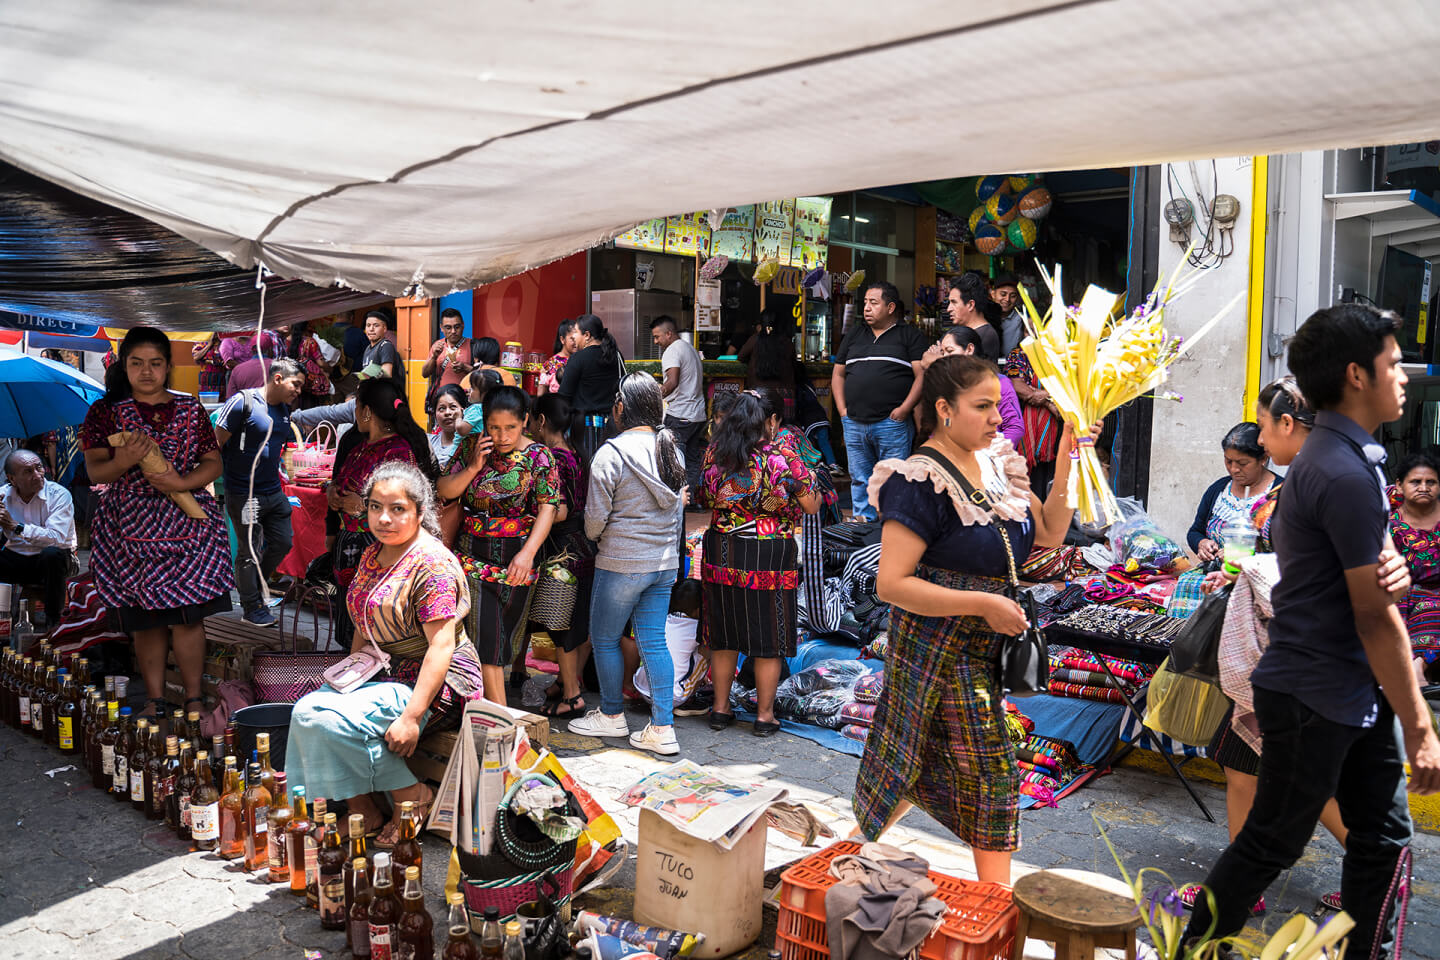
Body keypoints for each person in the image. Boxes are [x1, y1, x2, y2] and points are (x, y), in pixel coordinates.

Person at [1183, 304, 1440, 958]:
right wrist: (1420, 725)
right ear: (1358, 375)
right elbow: (1372, 613)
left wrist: (1394, 580)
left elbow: (1363, 587)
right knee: (1272, 840)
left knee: (1379, 838)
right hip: (1318, 690)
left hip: (1344, 689)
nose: (1403, 375)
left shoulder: (1346, 460)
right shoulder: (1343, 471)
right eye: (1391, 363)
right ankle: (1192, 950)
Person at [852, 354, 1088, 884]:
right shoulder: (916, 479)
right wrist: (983, 603)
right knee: (992, 772)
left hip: (985, 648)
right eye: (982, 407)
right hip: (935, 646)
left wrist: (1071, 459)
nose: (996, 417)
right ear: (943, 409)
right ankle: (997, 901)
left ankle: (848, 850)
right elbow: (892, 583)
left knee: (911, 763)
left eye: (995, 405)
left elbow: (1049, 532)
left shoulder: (1000, 463)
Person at [286, 461, 481, 846]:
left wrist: (411, 717)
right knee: (306, 713)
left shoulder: (433, 564)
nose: (384, 518)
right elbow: (362, 625)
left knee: (333, 723)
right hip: (383, 672)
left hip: (440, 679)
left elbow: (440, 647)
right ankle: (364, 809)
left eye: (397, 509)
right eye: (375, 507)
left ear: (421, 512)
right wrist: (349, 680)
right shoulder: (374, 554)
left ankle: (412, 794)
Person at [81, 327, 234, 717]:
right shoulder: (105, 412)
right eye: (136, 363)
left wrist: (180, 482)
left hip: (188, 526)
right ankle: (154, 700)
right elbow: (96, 472)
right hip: (129, 526)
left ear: (168, 366)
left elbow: (213, 462)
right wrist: (125, 462)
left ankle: (195, 699)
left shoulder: (191, 408)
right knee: (145, 619)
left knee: (187, 619)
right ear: (124, 365)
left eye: (155, 363)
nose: (146, 372)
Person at [569, 373, 686, 756]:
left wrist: (596, 536)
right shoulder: (671, 449)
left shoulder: (611, 453)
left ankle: (612, 714)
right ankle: (663, 728)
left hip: (621, 561)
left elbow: (594, 520)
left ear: (620, 407)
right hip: (663, 564)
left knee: (604, 638)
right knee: (654, 642)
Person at [701, 390, 821, 736]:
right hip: (768, 553)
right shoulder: (781, 457)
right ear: (769, 422)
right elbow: (811, 505)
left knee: (723, 633)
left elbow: (705, 494)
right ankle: (764, 716)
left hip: (722, 549)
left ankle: (721, 709)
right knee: (769, 635)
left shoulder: (715, 453)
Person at [437, 386, 559, 701]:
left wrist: (528, 554)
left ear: (526, 421)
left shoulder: (538, 456)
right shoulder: (470, 447)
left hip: (519, 563)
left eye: (511, 428)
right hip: (471, 558)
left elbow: (549, 506)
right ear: (483, 422)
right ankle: (501, 723)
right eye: (494, 427)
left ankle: (484, 714)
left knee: (504, 642)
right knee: (487, 640)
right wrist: (474, 467)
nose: (502, 435)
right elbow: (445, 490)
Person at [328, 378, 436, 645]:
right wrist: (333, 491)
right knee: (349, 622)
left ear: (366, 411)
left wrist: (362, 506)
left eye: (356, 407)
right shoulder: (359, 446)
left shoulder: (398, 450)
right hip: (350, 546)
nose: (355, 414)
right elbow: (343, 484)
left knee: (372, 625)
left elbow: (403, 502)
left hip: (378, 546)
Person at [215, 358, 306, 626]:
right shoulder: (243, 402)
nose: (298, 391)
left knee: (283, 541)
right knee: (249, 550)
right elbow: (214, 444)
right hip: (245, 494)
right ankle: (251, 606)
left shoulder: (285, 410)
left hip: (274, 491)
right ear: (278, 378)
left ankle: (256, 587)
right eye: (296, 384)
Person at [832, 281, 927, 521]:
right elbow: (838, 374)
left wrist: (905, 409)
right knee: (860, 480)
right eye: (865, 302)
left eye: (873, 303)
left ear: (891, 307)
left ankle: (891, 532)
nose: (866, 308)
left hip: (891, 424)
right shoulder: (855, 334)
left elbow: (923, 376)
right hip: (853, 421)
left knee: (892, 481)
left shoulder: (910, 336)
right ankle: (863, 530)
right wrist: (842, 410)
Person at [528, 393, 597, 718]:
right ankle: (566, 683)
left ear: (540, 421)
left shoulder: (551, 457)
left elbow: (557, 509)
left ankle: (572, 696)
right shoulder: (577, 453)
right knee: (575, 624)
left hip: (561, 551)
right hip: (584, 545)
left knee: (561, 626)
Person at [0, 449, 76, 626]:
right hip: (16, 559)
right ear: (12, 479)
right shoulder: (3, 496)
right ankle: (4, 617)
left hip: (51, 561)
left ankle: (53, 620)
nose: (37, 475)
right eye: (28, 471)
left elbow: (56, 537)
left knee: (52, 554)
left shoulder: (59, 495)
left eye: (39, 468)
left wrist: (15, 527)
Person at [1187, 423, 1278, 561]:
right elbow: (1195, 531)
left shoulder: (1282, 494)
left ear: (1263, 459)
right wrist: (1202, 543)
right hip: (1214, 574)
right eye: (1228, 461)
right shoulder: (1219, 489)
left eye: (1242, 463)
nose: (1234, 469)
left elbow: (1290, 552)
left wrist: (1243, 555)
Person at [920, 326, 1023, 447]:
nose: (945, 357)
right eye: (942, 353)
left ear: (969, 349)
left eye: (950, 351)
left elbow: (1015, 428)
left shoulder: (999, 382)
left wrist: (990, 457)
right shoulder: (945, 384)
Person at [1388, 451, 1440, 679]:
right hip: (1401, 594)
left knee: (1430, 604)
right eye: (1415, 482)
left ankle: (1419, 668)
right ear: (1399, 485)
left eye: (1431, 482)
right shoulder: (1388, 526)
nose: (1424, 487)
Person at [557, 314, 626, 463]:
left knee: (587, 470)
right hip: (612, 427)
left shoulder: (578, 358)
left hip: (585, 430)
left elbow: (564, 396)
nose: (573, 337)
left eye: (575, 332)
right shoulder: (616, 355)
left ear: (587, 335)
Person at [651, 315, 707, 496]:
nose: (655, 341)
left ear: (669, 334)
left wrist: (654, 396)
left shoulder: (672, 351)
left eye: (657, 336)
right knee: (691, 459)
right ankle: (690, 500)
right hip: (697, 414)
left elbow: (672, 381)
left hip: (680, 414)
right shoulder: (689, 348)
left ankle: (676, 500)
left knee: (675, 460)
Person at [1004, 337, 1063, 496]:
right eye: (1027, 330)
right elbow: (1017, 385)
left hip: (1059, 427)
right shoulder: (1019, 355)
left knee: (1055, 476)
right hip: (1027, 424)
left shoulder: (1063, 355)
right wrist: (1050, 402)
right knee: (1031, 482)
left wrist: (1044, 395)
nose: (1032, 335)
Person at [421, 308, 475, 418]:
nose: (453, 331)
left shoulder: (473, 345)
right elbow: (424, 373)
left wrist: (465, 367)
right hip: (442, 401)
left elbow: (482, 373)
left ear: (463, 325)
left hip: (465, 402)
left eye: (457, 327)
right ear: (441, 328)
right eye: (448, 328)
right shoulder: (437, 345)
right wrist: (434, 357)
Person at [947, 272, 1002, 362]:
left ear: (970, 305)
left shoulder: (985, 336)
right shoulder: (971, 332)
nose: (949, 309)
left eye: (954, 302)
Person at [223, 331, 288, 400]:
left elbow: (230, 399)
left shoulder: (237, 370)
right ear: (270, 350)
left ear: (251, 349)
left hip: (247, 409)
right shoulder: (279, 368)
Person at [287, 321, 334, 408]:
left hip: (290, 382)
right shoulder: (310, 342)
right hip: (309, 384)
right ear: (306, 327)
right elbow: (321, 363)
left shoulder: (285, 341)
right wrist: (330, 369)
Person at [361, 310, 405, 394]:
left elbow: (386, 373)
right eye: (368, 325)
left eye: (376, 326)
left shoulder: (385, 345)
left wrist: (368, 376)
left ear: (384, 329)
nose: (371, 329)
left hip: (384, 397)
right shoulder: (367, 349)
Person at [428, 384, 468, 470]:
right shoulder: (427, 442)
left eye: (453, 407)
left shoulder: (470, 445)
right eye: (441, 408)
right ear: (435, 414)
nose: (447, 412)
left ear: (464, 410)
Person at [989, 272, 1026, 359]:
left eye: (1013, 296)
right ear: (993, 294)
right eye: (1003, 294)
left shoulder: (1022, 319)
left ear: (1018, 298)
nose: (1007, 299)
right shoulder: (983, 316)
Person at [539, 319, 578, 395]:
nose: (576, 342)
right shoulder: (550, 363)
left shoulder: (581, 360)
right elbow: (541, 393)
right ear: (562, 339)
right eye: (572, 339)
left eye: (578, 338)